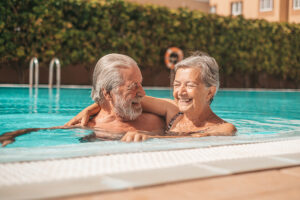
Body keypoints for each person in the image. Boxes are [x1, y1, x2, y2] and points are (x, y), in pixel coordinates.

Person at [0, 53, 165, 147]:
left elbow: (188, 130)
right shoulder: (87, 125)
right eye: (133, 86)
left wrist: (152, 138)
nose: (142, 92)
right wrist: (14, 133)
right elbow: (51, 131)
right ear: (107, 93)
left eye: (141, 84)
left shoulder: (154, 122)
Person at [67, 52, 237, 141]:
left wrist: (151, 137)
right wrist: (92, 107)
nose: (180, 92)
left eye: (190, 85)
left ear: (210, 92)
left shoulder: (224, 128)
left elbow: (196, 139)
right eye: (177, 85)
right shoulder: (173, 113)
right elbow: (123, 99)